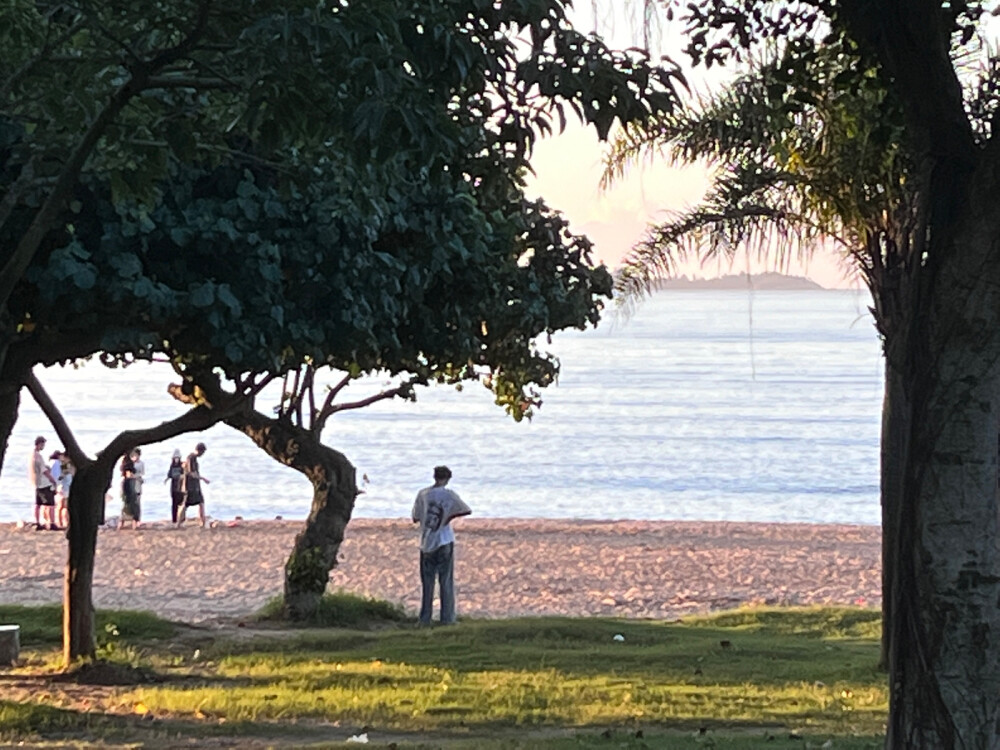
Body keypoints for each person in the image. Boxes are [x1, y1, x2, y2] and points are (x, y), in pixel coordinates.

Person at [411, 466, 471, 625]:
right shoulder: (449, 495)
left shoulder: (423, 494)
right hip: (444, 540)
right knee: (446, 581)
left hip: (426, 542)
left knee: (427, 583)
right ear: (448, 478)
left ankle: (425, 619)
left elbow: (416, 516)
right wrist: (447, 517)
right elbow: (465, 509)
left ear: (434, 476)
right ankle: (448, 618)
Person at [178, 442, 210, 528]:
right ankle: (179, 523)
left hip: (195, 485)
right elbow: (191, 473)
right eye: (202, 452)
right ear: (199, 451)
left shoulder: (192, 458)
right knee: (185, 504)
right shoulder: (191, 458)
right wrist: (203, 478)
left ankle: (202, 522)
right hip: (190, 486)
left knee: (201, 502)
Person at [29, 436, 57, 530]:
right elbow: (43, 470)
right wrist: (52, 479)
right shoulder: (38, 456)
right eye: (43, 445)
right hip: (43, 483)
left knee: (38, 504)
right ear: (39, 444)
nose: (43, 447)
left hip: (36, 483)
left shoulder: (31, 455)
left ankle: (37, 522)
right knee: (51, 504)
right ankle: (52, 523)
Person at [119, 449, 139, 530]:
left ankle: (123, 522)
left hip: (126, 483)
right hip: (129, 483)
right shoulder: (128, 463)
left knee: (127, 503)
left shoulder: (124, 463)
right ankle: (133, 522)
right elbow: (129, 474)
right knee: (131, 503)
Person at [164, 449, 186, 524]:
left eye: (177, 458)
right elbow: (169, 474)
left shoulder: (182, 465)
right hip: (174, 486)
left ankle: (181, 519)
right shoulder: (172, 466)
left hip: (180, 486)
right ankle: (174, 520)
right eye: (175, 458)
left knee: (181, 503)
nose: (176, 459)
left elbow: (184, 474)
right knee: (174, 503)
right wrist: (166, 479)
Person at [57, 452, 74, 529]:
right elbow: (62, 476)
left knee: (66, 506)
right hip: (65, 488)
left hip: (68, 488)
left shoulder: (69, 466)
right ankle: (62, 522)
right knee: (63, 506)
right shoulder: (64, 466)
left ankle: (65, 522)